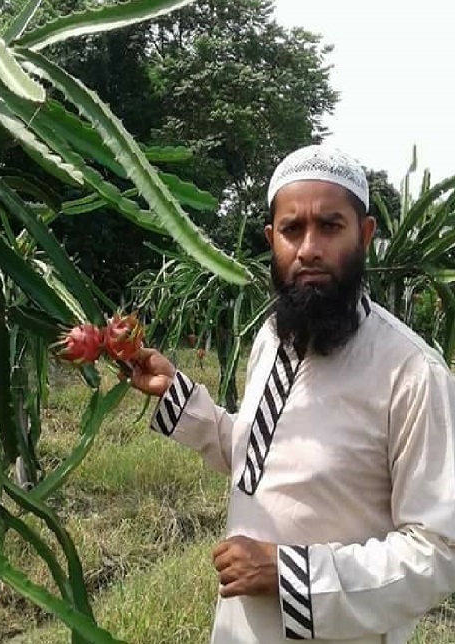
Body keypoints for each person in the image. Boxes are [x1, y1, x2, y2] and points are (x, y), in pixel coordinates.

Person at [126, 144, 455, 644]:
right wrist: (179, 396)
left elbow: (438, 549)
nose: (309, 249)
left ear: (364, 235)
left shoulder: (411, 373)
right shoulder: (272, 339)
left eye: (330, 226)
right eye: (292, 230)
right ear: (271, 240)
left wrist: (290, 574)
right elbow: (261, 460)